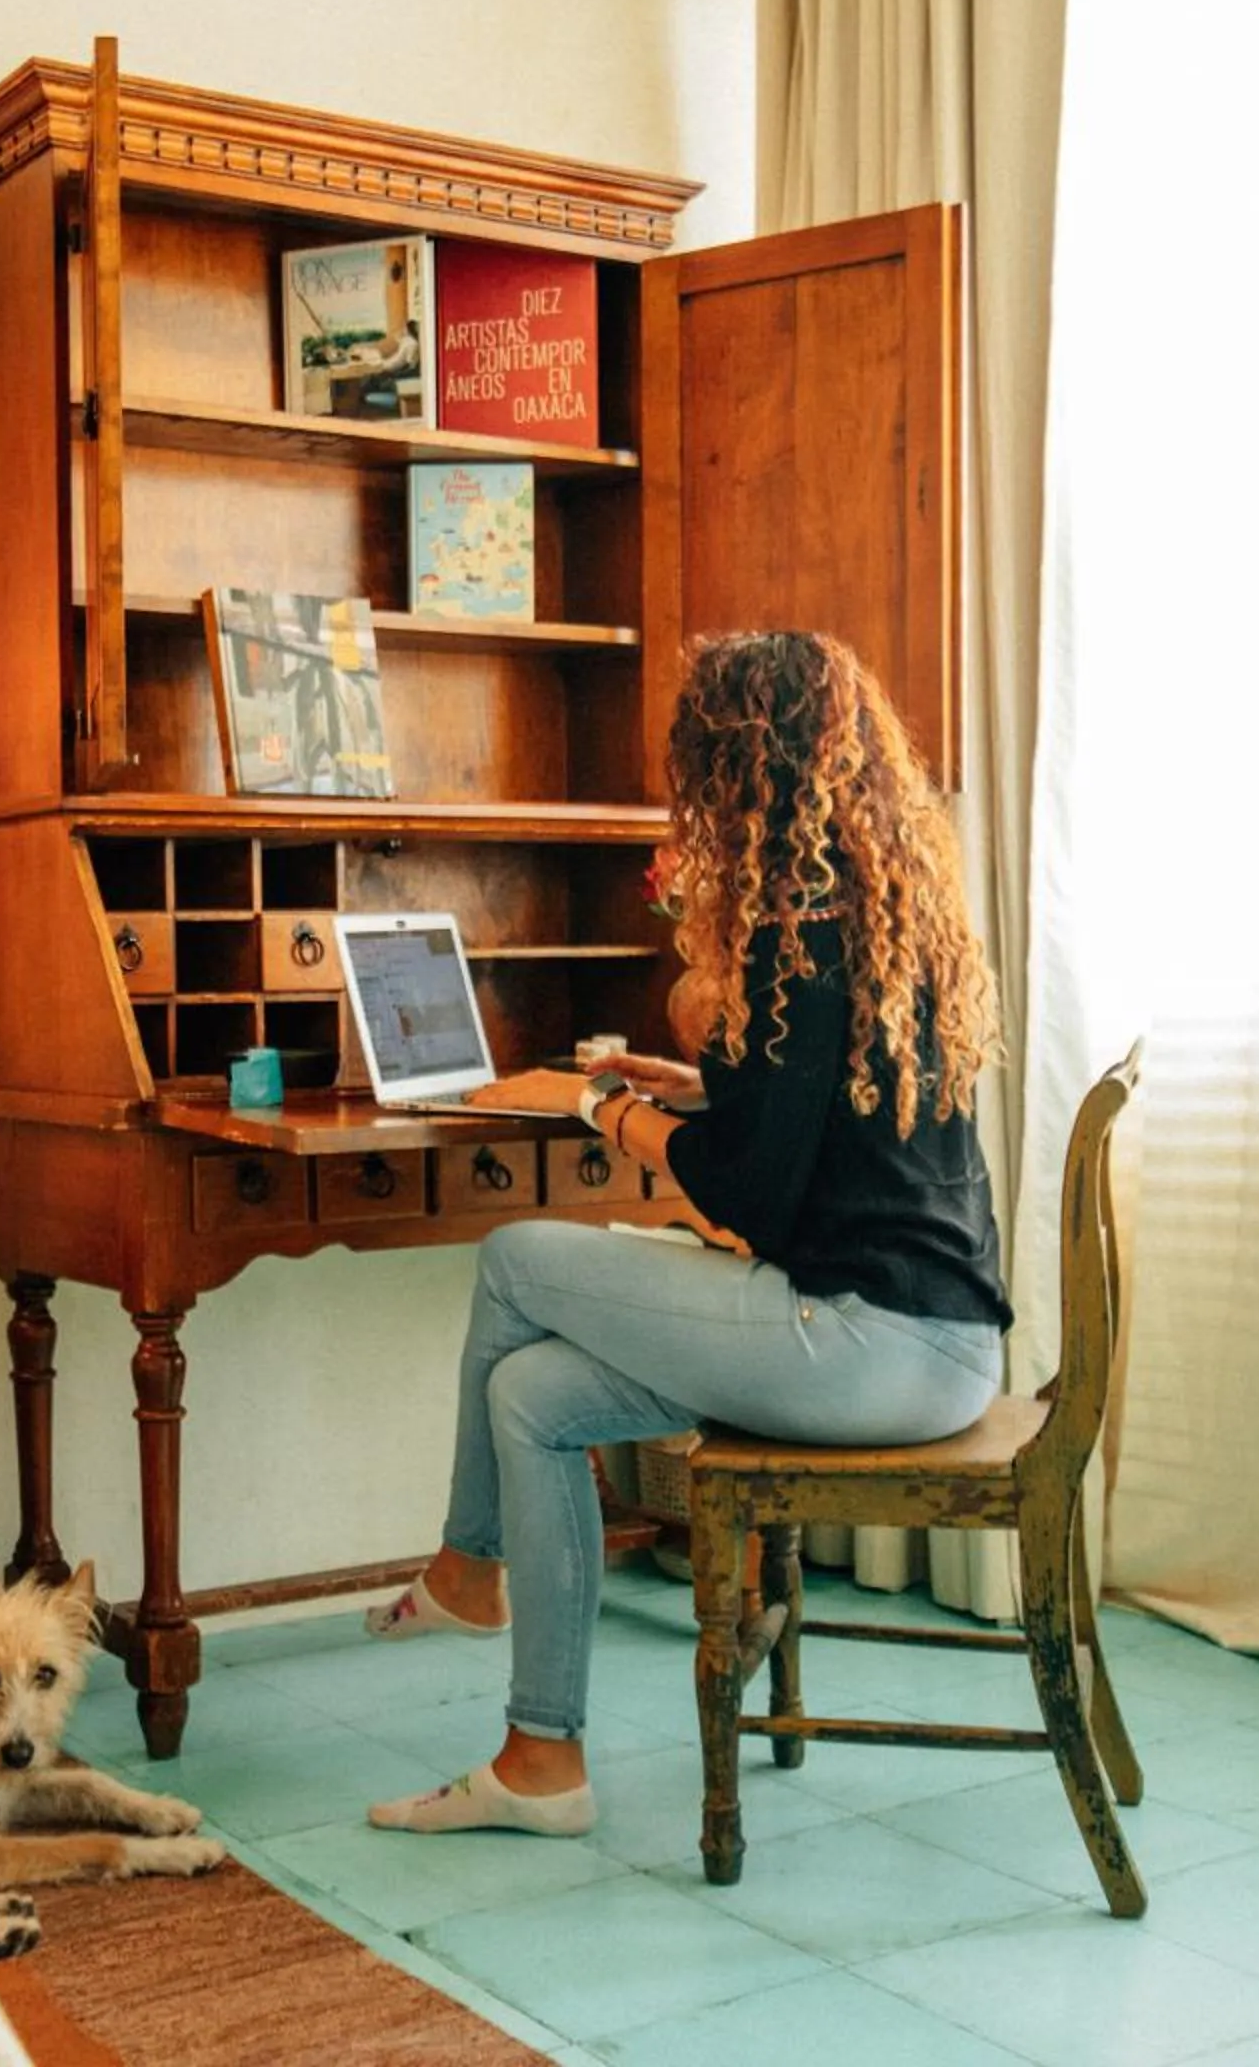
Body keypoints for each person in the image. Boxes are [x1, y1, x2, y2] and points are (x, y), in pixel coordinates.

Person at [363, 629, 1014, 1838]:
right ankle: (538, 1758)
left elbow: (752, 1200)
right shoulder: (877, 910)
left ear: (733, 767)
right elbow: (825, 1128)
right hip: (940, 1340)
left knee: (514, 1256)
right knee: (534, 1395)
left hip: (864, 1343)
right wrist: (703, 1090)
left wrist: (607, 1108)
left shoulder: (796, 930)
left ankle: (466, 1566)